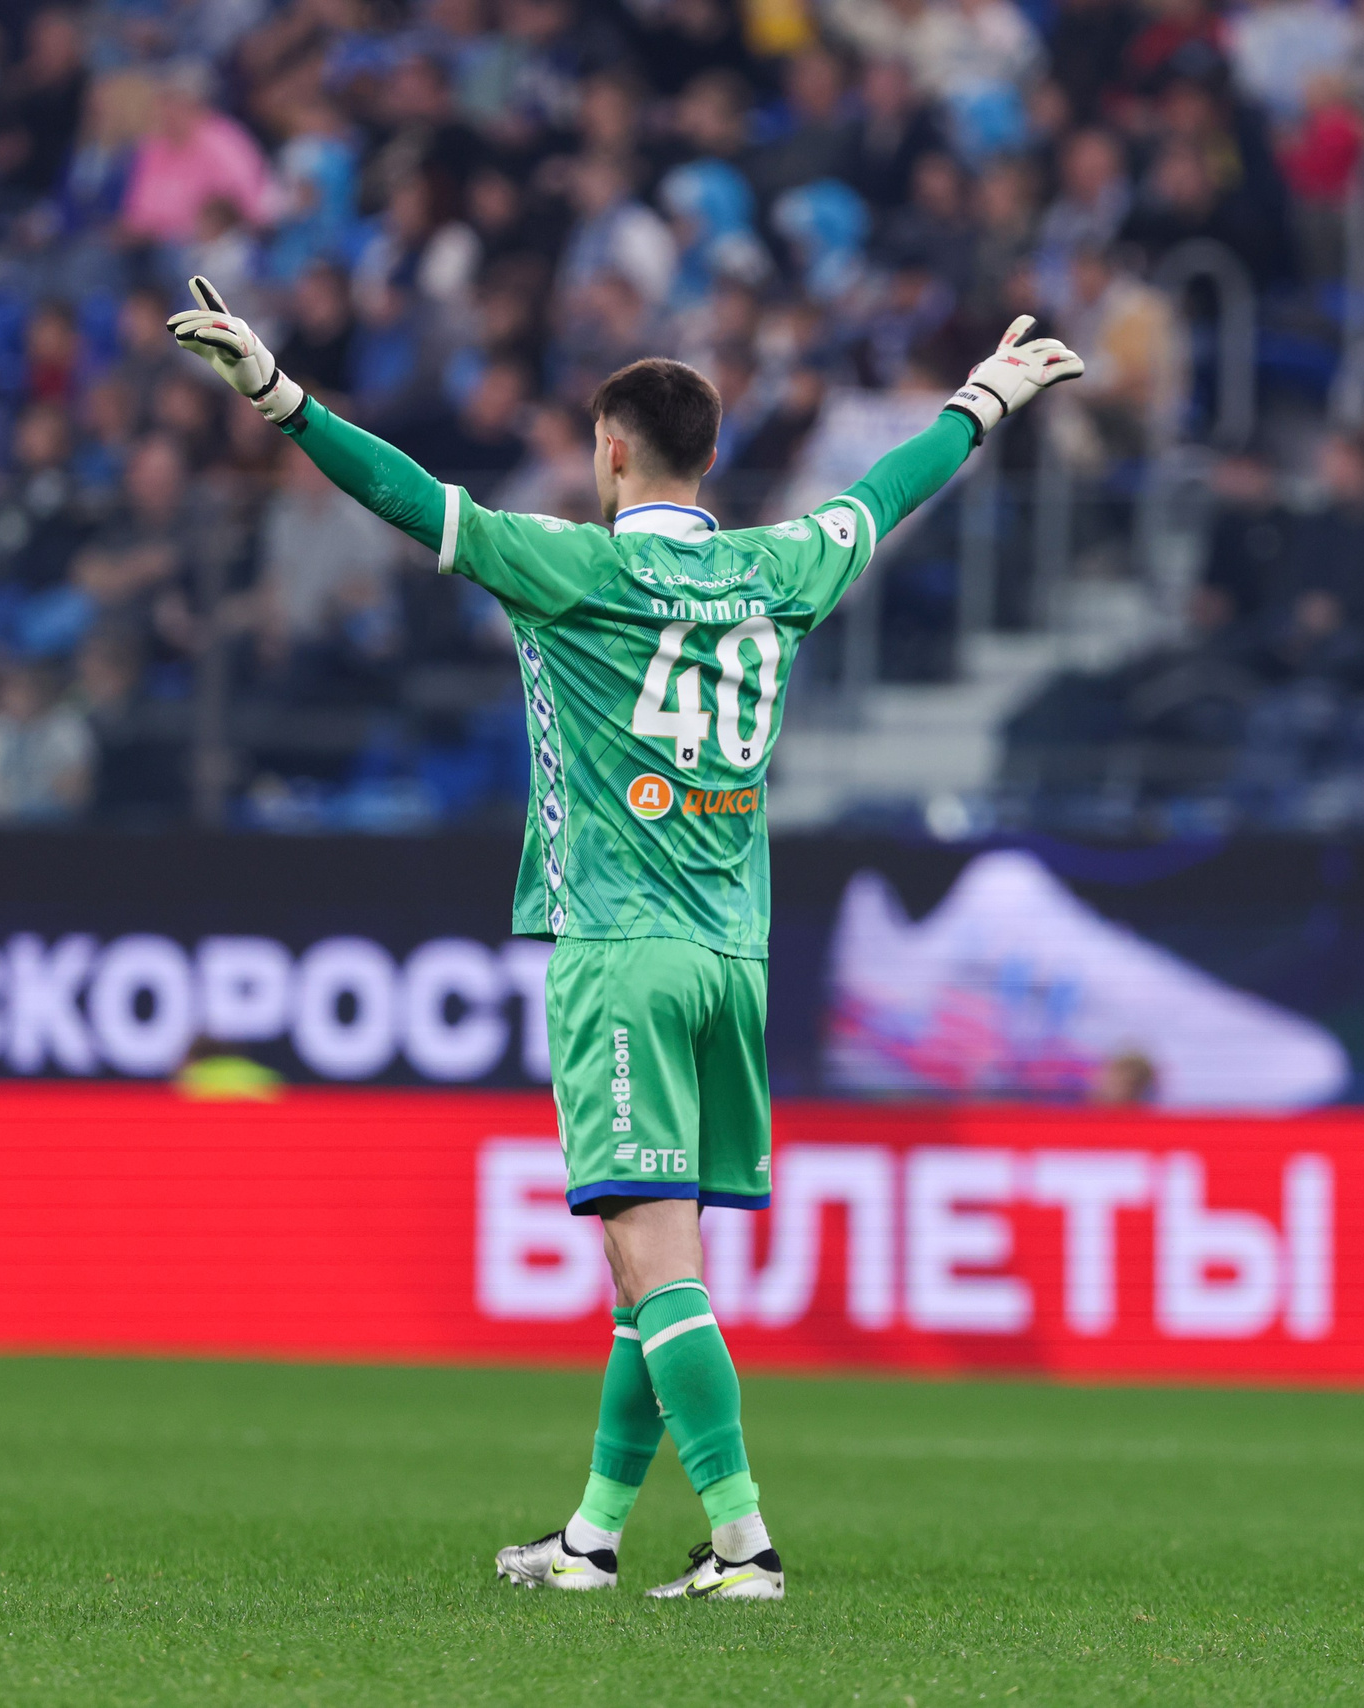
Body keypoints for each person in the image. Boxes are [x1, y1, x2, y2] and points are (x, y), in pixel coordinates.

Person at [168, 274, 1083, 1601]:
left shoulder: (572, 566)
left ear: (610, 451)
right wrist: (984, 402)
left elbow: (406, 495)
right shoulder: (780, 567)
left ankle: (741, 1540)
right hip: (734, 956)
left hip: (620, 948)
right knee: (652, 1264)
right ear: (711, 460)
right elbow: (886, 494)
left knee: (655, 1265)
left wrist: (275, 392)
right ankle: (595, 1537)